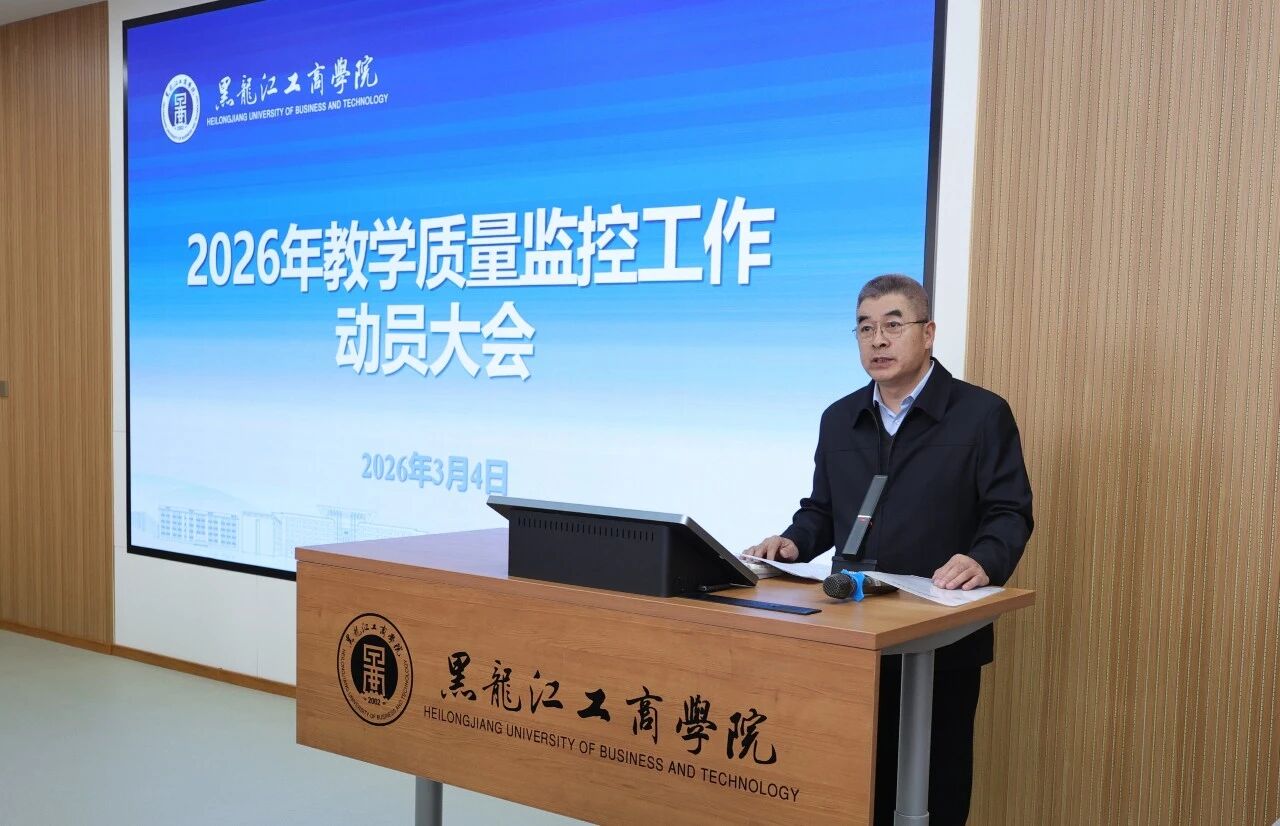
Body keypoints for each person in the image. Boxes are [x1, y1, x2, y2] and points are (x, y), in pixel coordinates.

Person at [745, 273, 1033, 826]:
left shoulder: (980, 414)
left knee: (935, 782)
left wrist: (983, 560)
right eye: (865, 328)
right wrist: (792, 542)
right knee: (855, 785)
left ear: (928, 333)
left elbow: (1009, 511)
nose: (877, 339)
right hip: (849, 628)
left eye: (893, 325)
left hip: (938, 633)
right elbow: (823, 510)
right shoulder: (840, 418)